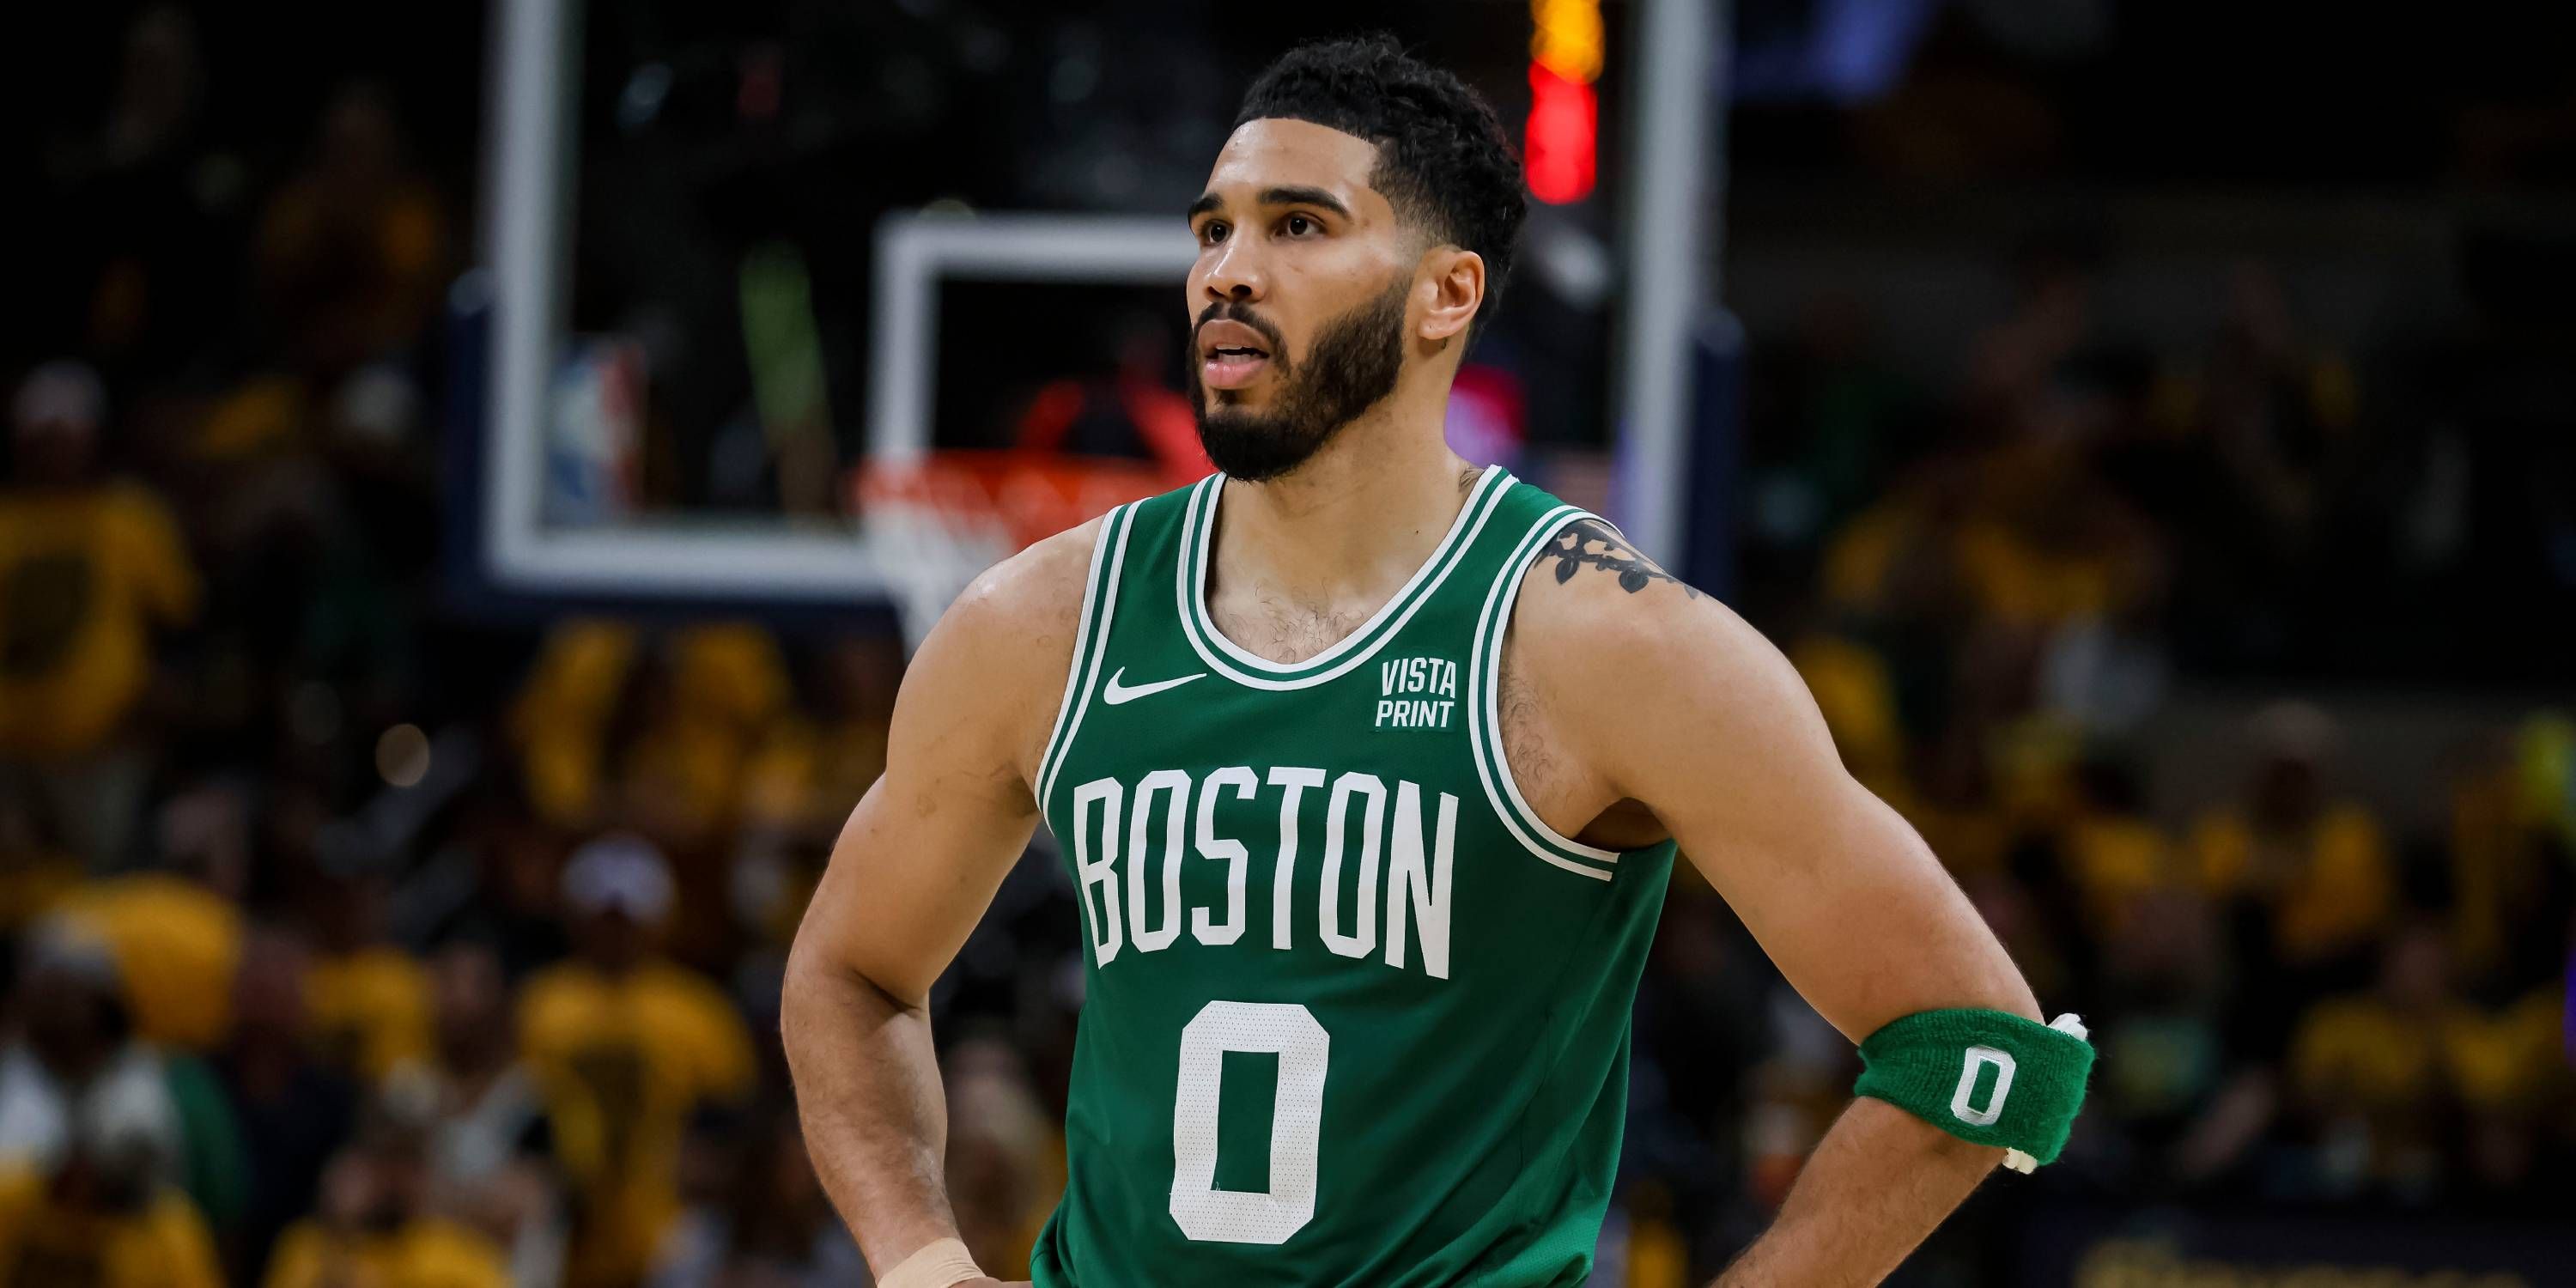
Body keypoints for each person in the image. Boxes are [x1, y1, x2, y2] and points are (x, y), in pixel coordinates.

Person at [782, 34, 2087, 1288]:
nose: (1229, 270)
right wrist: (922, 1261)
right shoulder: (1041, 622)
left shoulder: (1603, 642)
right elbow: (848, 972)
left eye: (1298, 226)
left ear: (1445, 295)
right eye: (1213, 228)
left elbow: (1982, 1054)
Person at [517, 835, 755, 1288]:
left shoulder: (698, 1012)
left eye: (627, 921)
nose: (615, 933)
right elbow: (520, 1111)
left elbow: (731, 1126)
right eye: (603, 920)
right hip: (564, 1229)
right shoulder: (544, 1003)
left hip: (667, 1233)